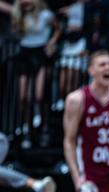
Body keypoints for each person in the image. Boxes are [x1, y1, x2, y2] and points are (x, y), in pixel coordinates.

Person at [63, 50, 109, 192]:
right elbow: (69, 141)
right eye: (102, 65)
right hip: (92, 175)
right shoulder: (76, 99)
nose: (108, 68)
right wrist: (77, 178)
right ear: (91, 70)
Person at [11, 0, 61, 149]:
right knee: (23, 97)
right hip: (24, 52)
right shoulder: (20, 15)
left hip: (40, 52)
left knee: (39, 95)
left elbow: (57, 28)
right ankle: (26, 128)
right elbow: (17, 32)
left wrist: (51, 42)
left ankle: (41, 122)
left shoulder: (45, 15)